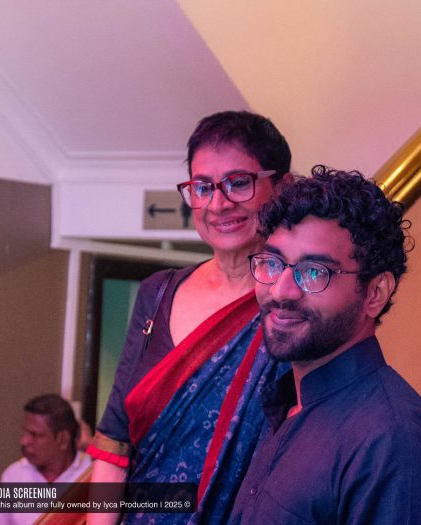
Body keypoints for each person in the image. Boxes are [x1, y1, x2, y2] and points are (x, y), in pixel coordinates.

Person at [87, 111, 292, 525]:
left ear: (282, 187)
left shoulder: (296, 301)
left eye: (238, 182)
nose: (218, 204)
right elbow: (114, 445)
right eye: (202, 187)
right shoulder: (157, 293)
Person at [230, 166, 421, 524]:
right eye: (272, 263)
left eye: (314, 272)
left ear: (375, 293)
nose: (281, 291)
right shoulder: (285, 403)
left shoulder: (393, 443)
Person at [0, 393, 91, 525]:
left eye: (35, 435)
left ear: (63, 439)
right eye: (25, 432)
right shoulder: (14, 475)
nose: (24, 441)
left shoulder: (91, 474)